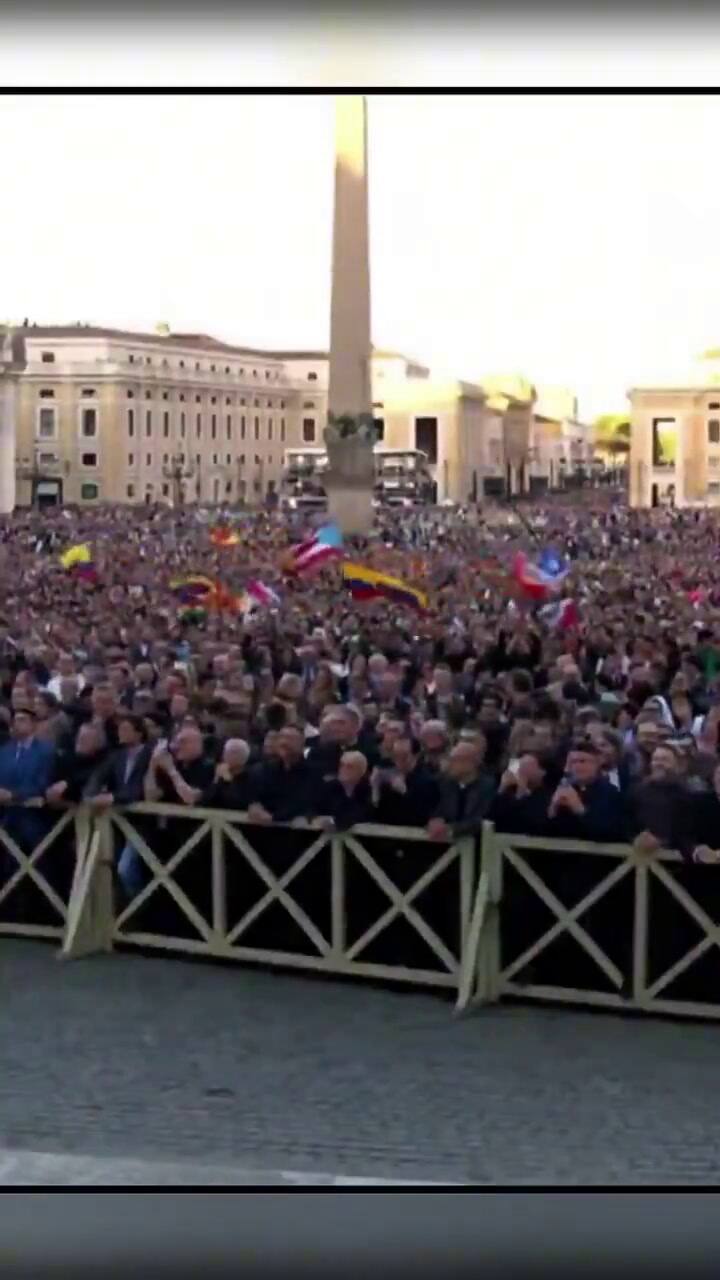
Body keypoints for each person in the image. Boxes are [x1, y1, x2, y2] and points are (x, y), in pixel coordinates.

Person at [546, 741, 627, 843]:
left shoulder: (611, 793)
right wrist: (552, 809)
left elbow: (610, 833)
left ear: (597, 764)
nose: (577, 766)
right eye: (573, 762)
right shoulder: (559, 789)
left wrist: (580, 809)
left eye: (582, 761)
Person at [427, 737, 495, 842]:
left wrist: (451, 830)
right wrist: (436, 820)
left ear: (469, 763)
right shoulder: (446, 784)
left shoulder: (487, 787)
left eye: (454, 760)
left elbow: (481, 819)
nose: (449, 764)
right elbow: (439, 809)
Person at [371, 735, 440, 828]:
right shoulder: (389, 775)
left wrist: (405, 792)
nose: (398, 760)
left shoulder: (427, 780)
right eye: (395, 755)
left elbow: (422, 816)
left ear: (416, 755)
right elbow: (379, 813)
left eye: (404, 756)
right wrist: (375, 789)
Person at [491, 750, 554, 837]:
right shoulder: (505, 793)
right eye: (519, 765)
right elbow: (491, 818)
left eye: (527, 766)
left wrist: (521, 792)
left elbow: (534, 823)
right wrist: (502, 788)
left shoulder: (548, 796)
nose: (521, 770)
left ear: (542, 772)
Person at [313, 750, 373, 831]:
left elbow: (361, 814)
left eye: (349, 766)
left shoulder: (367, 790)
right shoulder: (328, 787)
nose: (343, 769)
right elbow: (314, 807)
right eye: (341, 765)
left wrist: (336, 822)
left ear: (361, 771)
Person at [202, 738, 256, 812]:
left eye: (231, 752)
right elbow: (205, 802)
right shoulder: (219, 773)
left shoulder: (251, 777)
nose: (225, 756)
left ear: (243, 756)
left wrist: (228, 781)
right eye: (225, 752)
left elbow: (238, 804)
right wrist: (216, 780)